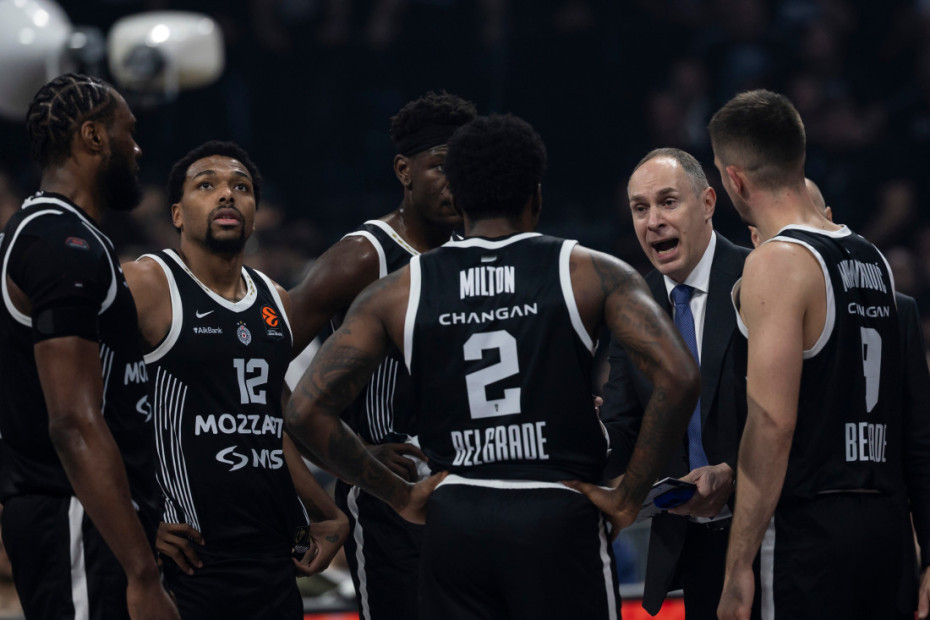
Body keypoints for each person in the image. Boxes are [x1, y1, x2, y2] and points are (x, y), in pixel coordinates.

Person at [285, 113, 701, 619]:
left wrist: (401, 496)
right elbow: (680, 377)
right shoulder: (590, 270)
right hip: (556, 510)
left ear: (459, 196)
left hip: (455, 517)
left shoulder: (400, 289)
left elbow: (304, 410)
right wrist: (629, 497)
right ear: (537, 196)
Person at [122, 141, 348, 619]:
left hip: (272, 551)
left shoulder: (276, 300)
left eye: (240, 187)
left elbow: (267, 425)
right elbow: (85, 403)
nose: (227, 194)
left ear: (255, 214)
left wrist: (325, 513)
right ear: (178, 213)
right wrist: (134, 514)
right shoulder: (146, 283)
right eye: (207, 185)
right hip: (187, 554)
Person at [709, 89, 907, 620]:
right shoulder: (873, 258)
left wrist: (738, 566)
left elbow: (772, 423)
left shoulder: (777, 261)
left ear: (735, 180)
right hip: (882, 524)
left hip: (811, 531)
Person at [287, 91, 476, 619]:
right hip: (392, 501)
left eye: (464, 168)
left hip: (469, 495)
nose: (455, 181)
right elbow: (253, 362)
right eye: (440, 166)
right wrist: (346, 455)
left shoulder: (472, 254)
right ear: (404, 170)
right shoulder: (362, 256)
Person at [0, 74, 178, 619]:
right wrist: (142, 574)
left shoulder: (61, 235)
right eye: (129, 131)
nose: (138, 148)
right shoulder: (60, 241)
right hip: (75, 517)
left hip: (90, 519)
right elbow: (73, 423)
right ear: (94, 136)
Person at [749, 177, 930, 619]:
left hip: (844, 536)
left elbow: (920, 445)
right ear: (757, 240)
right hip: (821, 535)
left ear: (829, 222)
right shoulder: (752, 312)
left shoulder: (898, 308)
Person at [600, 147, 755, 619]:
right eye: (640, 208)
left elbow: (799, 413)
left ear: (707, 203)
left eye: (668, 202)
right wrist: (587, 430)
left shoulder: (759, 277)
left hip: (772, 533)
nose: (653, 222)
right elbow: (623, 428)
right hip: (691, 548)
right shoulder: (631, 305)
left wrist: (734, 474)